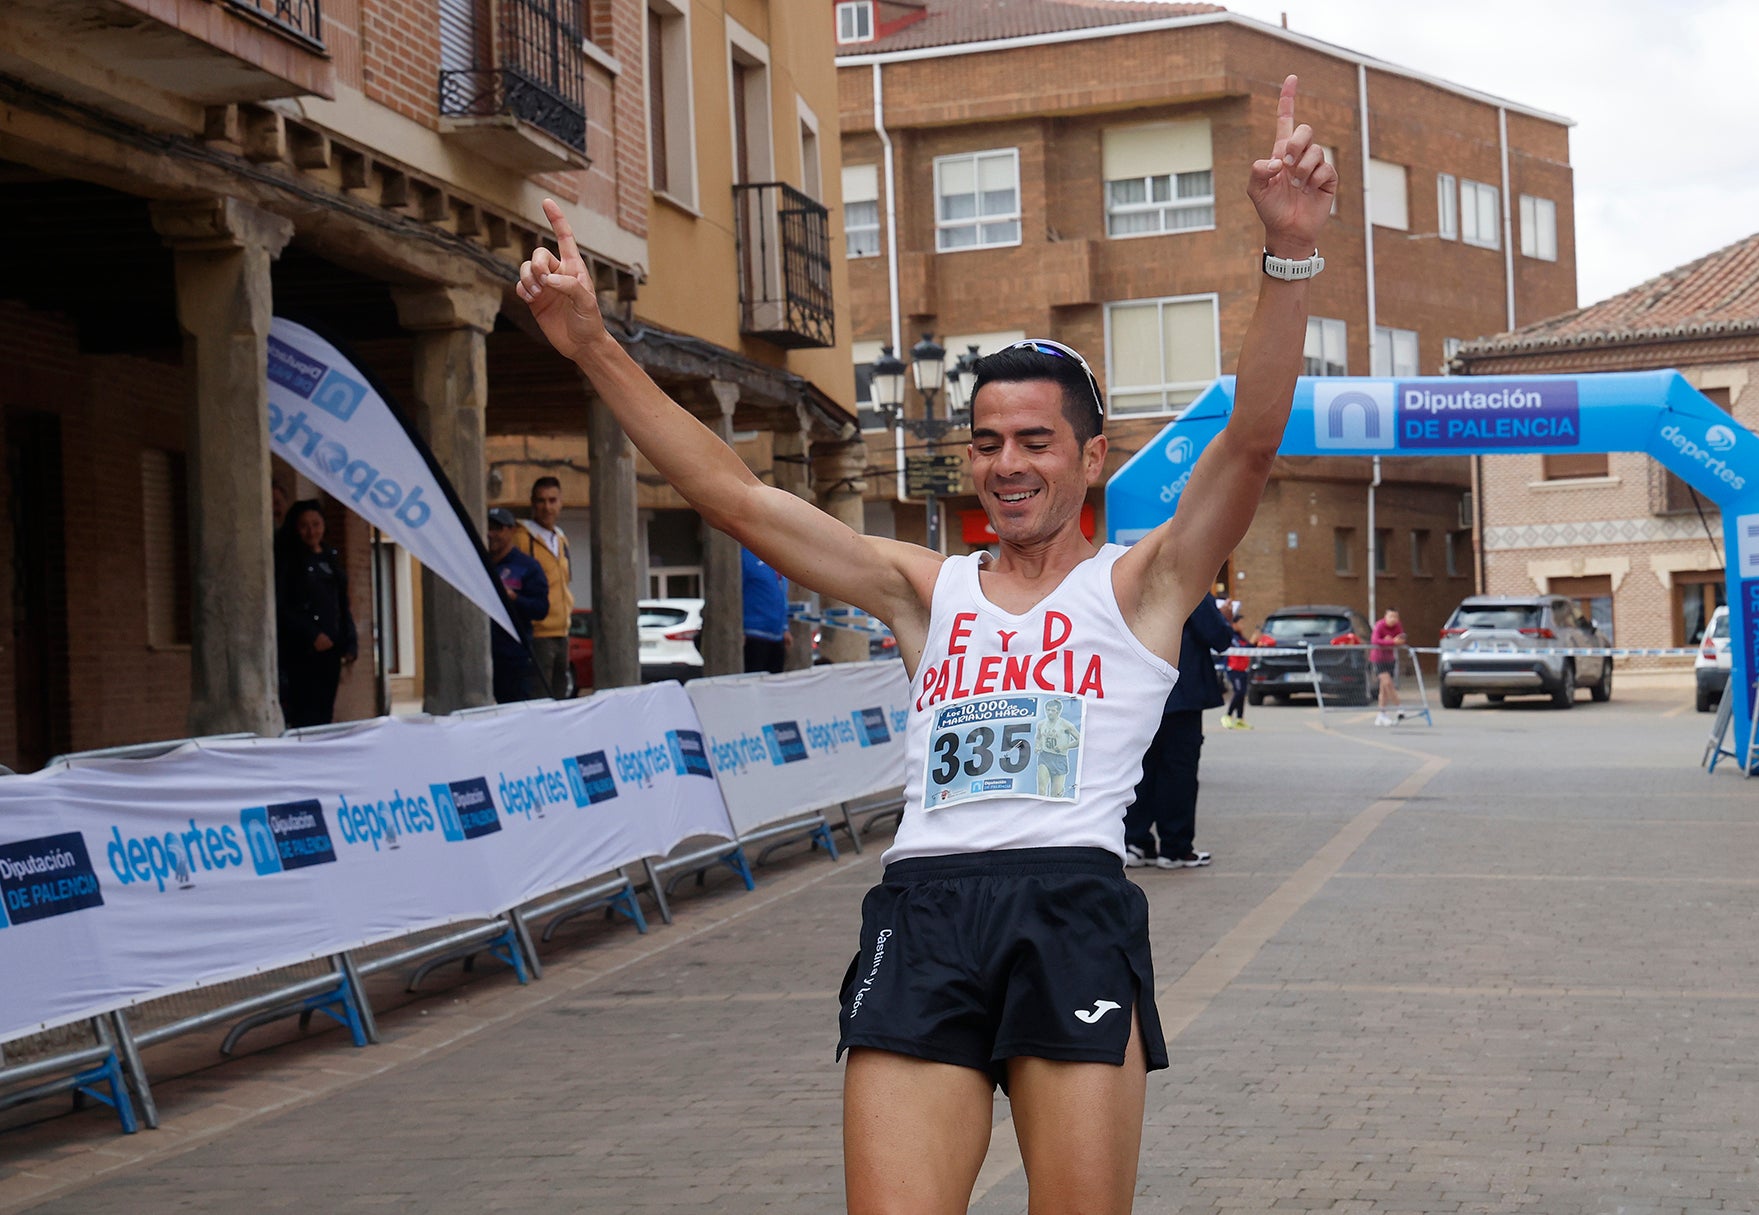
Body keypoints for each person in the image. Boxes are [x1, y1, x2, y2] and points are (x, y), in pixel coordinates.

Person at [514, 73, 1334, 1212]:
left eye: (1036, 440)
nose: (1008, 464)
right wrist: (593, 347)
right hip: (924, 911)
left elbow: (1246, 444)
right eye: (988, 441)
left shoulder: (1141, 586)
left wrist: (1287, 253)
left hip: (1069, 908)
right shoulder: (924, 590)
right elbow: (737, 499)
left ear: (1091, 457)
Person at [1124, 596, 1236, 869]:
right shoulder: (1189, 586)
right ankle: (1175, 848)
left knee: (1141, 770)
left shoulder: (1128, 582)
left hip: (1136, 692)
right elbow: (1218, 637)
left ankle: (1136, 841)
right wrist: (1225, 619)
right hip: (1181, 693)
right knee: (1178, 773)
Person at [275, 499, 358, 728]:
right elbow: (282, 607)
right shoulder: (289, 561)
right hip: (303, 652)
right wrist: (311, 634)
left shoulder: (330, 557)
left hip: (331, 651)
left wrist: (350, 643)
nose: (311, 531)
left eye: (316, 524)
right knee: (305, 715)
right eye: (304, 526)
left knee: (325, 713)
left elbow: (342, 603)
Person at [512, 476, 574, 697]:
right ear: (532, 503)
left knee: (560, 698)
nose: (547, 507)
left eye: (552, 500)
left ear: (561, 502)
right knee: (540, 698)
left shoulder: (561, 539)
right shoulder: (521, 538)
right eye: (541, 501)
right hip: (537, 634)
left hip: (562, 632)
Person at [487, 507, 549, 703]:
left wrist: (514, 598)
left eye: (497, 528)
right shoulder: (481, 564)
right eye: (487, 527)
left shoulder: (527, 566)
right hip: (482, 657)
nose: (490, 534)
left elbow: (541, 609)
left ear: (512, 530)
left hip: (514, 659)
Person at [742, 546, 790, 674]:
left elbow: (782, 597)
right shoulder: (745, 557)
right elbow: (734, 593)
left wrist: (785, 628)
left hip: (777, 635)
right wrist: (739, 629)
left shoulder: (777, 561)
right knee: (754, 678)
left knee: (776, 680)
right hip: (753, 633)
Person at [1370, 607, 1406, 726]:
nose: (1393, 619)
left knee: (1384, 689)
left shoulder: (1398, 626)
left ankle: (1381, 714)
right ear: (1385, 617)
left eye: (1395, 617)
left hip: (1390, 659)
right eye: (1391, 616)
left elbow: (1401, 639)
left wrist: (1395, 641)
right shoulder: (1379, 626)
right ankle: (1399, 707)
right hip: (1378, 659)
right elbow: (1375, 640)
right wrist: (1391, 641)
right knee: (1388, 683)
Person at [1220, 611, 1256, 729]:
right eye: (1240, 623)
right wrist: (1252, 641)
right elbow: (1242, 648)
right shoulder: (1232, 637)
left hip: (1243, 669)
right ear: (1234, 624)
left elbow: (1250, 647)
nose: (1243, 626)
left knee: (1242, 693)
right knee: (1239, 692)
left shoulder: (1241, 637)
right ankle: (1227, 715)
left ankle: (1240, 719)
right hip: (1233, 669)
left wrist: (1256, 642)